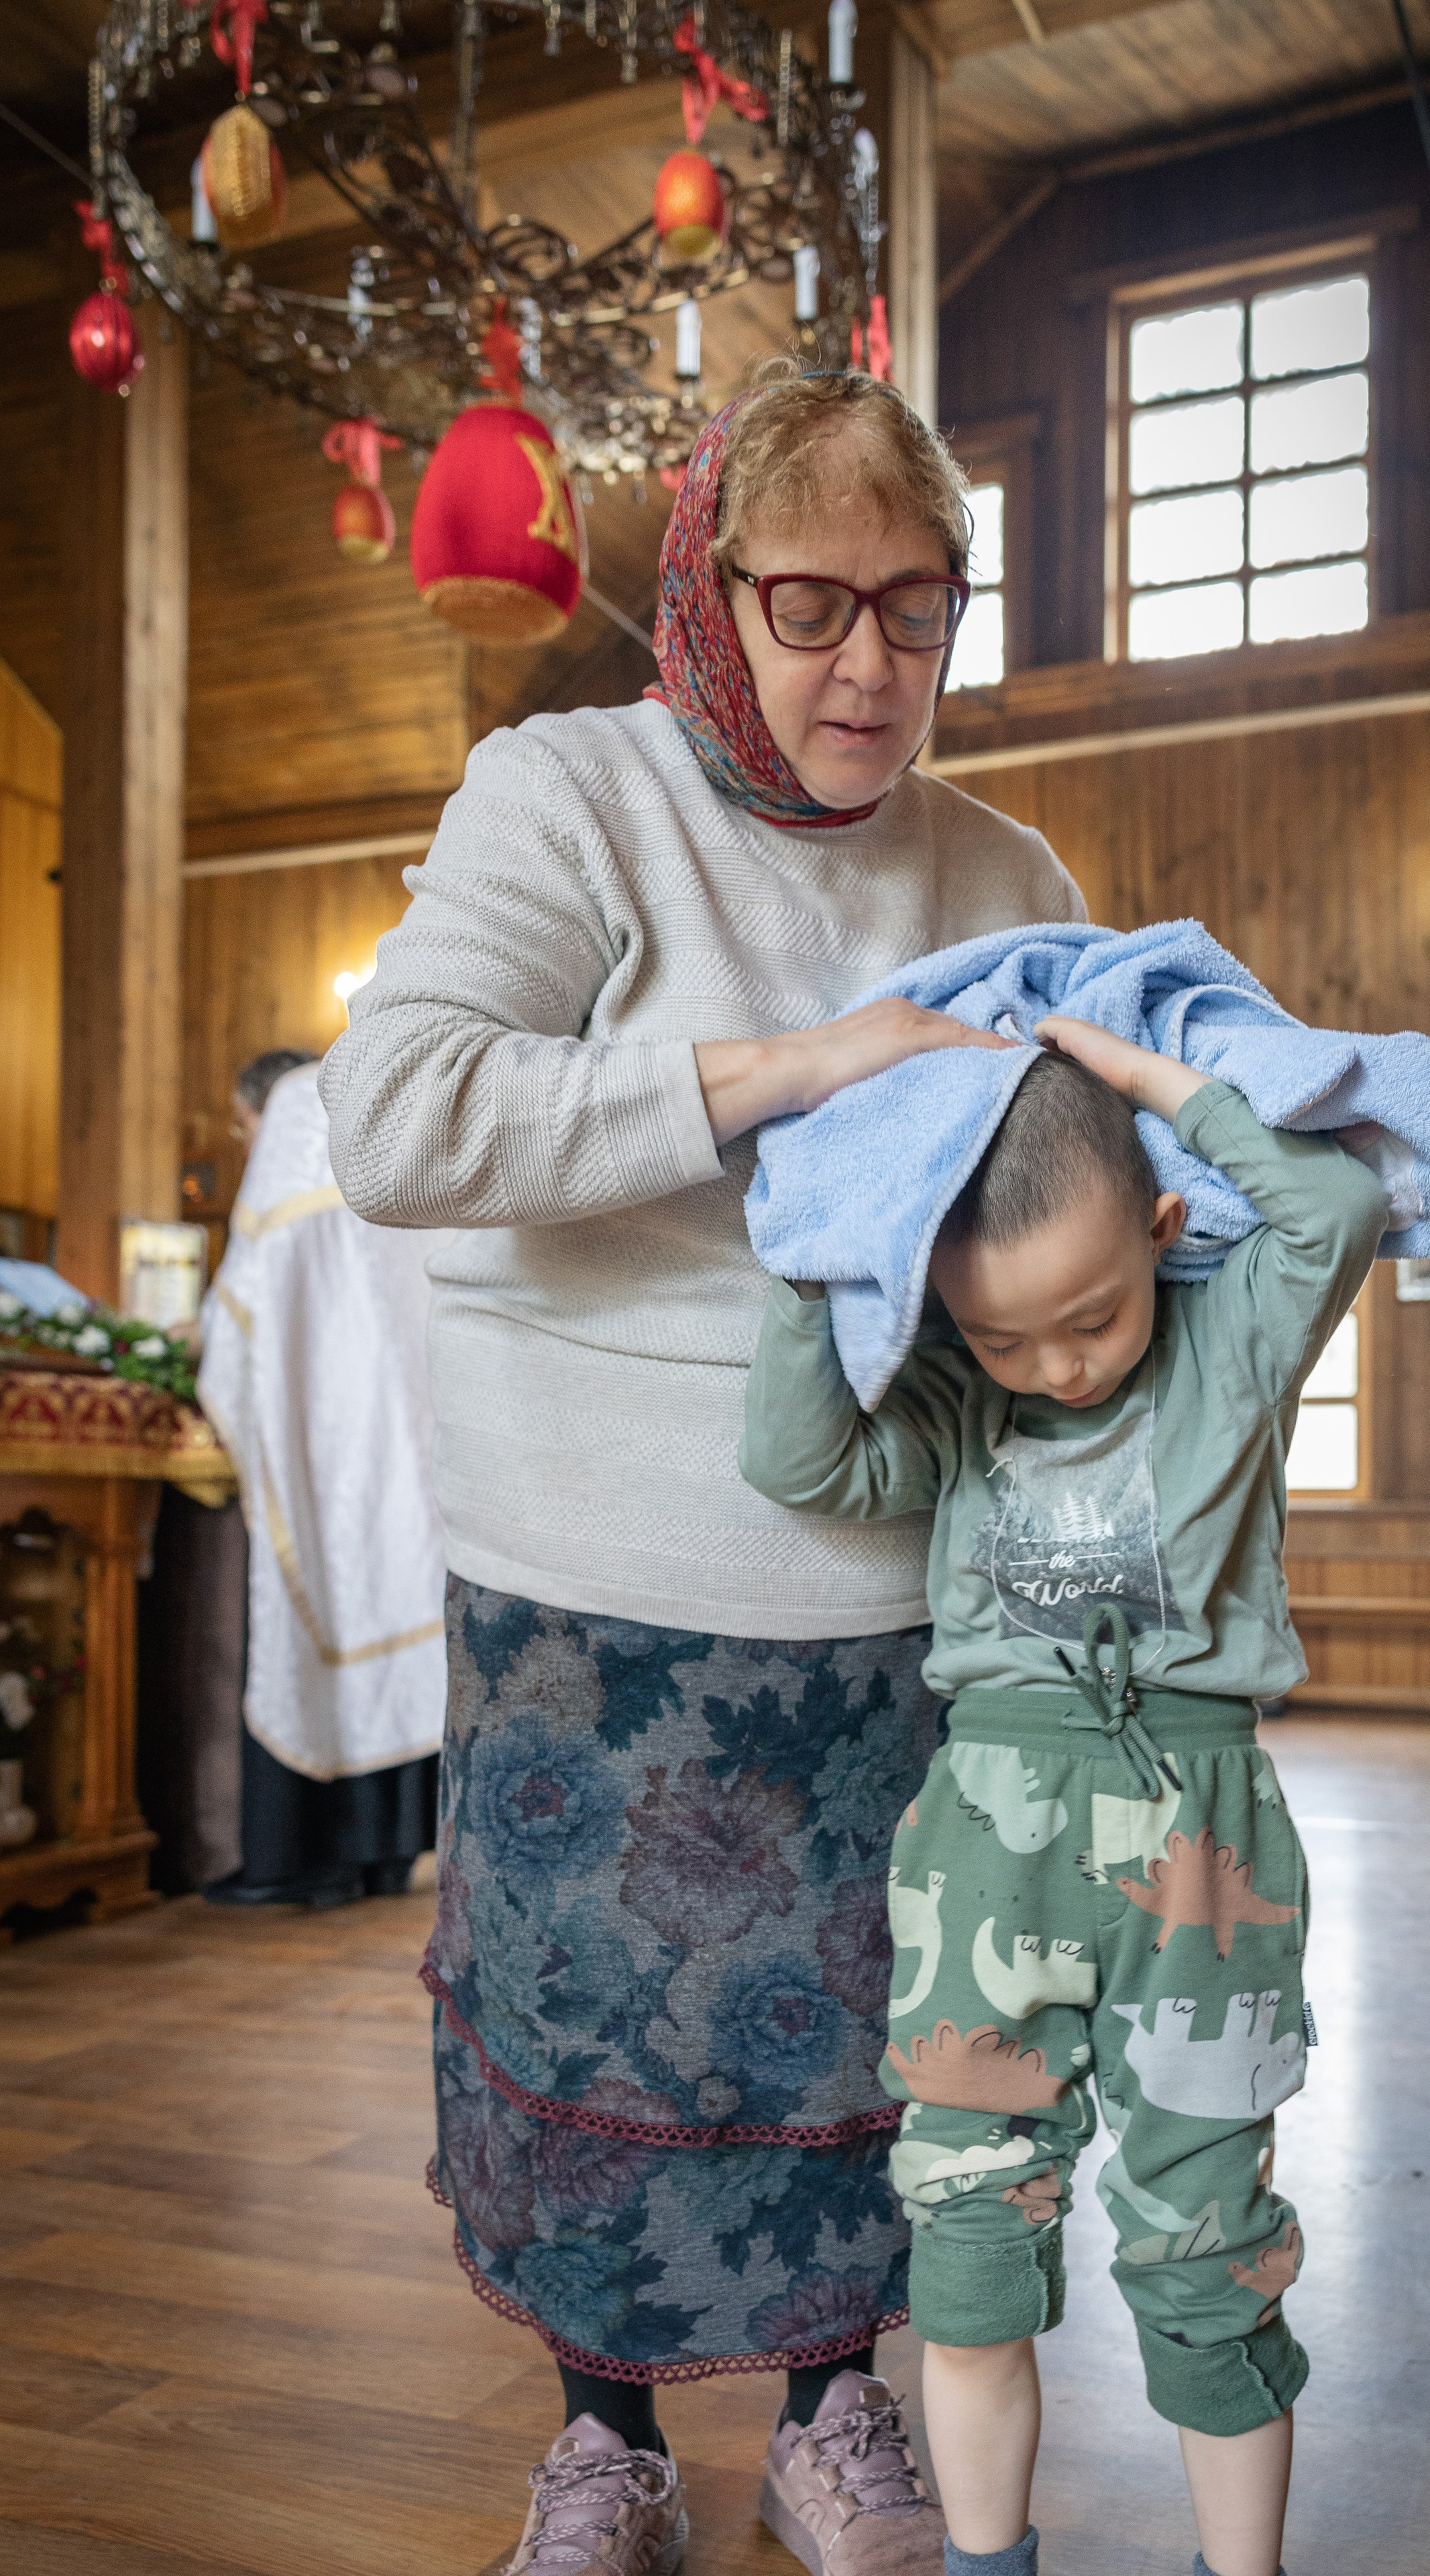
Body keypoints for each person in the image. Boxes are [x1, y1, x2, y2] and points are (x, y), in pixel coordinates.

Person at [319, 365, 1089, 2576]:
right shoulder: (566, 793)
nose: (872, 665)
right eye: (814, 603)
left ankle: (840, 2420)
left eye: (922, 612)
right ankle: (607, 2444)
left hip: (894, 1594)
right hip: (596, 1589)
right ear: (711, 592)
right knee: (596, 2042)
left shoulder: (1002, 864)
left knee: (879, 2039)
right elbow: (400, 1119)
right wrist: (795, 1068)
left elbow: (1047, 1195)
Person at [740, 1025, 1393, 2576]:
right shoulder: (964, 1406)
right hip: (983, 1846)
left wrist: (1136, 1073)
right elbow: (795, 1458)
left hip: (1198, 1834)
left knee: (1203, 2234)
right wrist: (824, 1244)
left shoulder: (1229, 1338)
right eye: (1003, 1334)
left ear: (1159, 1233)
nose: (1053, 1363)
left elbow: (1331, 1209)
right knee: (966, 2225)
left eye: (1086, 1318)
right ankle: (983, 2559)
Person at [197, 1051, 447, 1905]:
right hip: (417, 1420)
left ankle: (297, 1853)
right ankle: (388, 1847)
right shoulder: (391, 1094)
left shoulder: (298, 1120)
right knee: (405, 1592)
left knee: (312, 1609)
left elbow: (239, 1317)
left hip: (317, 1423)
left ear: (257, 1107)